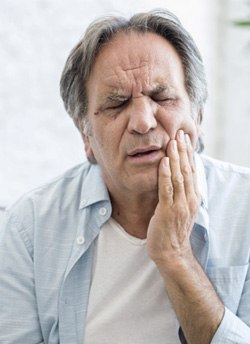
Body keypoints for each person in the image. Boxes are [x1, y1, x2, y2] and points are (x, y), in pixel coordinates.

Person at [0, 9, 250, 344]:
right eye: (116, 104)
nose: (143, 122)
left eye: (162, 97)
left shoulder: (245, 209)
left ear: (197, 115)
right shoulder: (28, 228)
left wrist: (174, 255)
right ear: (86, 135)